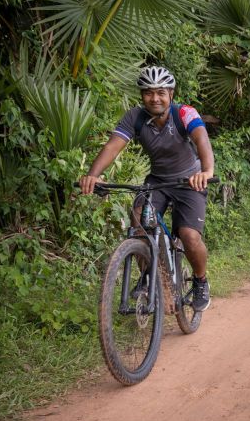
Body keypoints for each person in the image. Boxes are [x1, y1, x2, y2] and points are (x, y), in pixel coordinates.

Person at [78, 66, 215, 311]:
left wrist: (206, 171)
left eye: (161, 92)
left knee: (189, 236)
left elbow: (201, 139)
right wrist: (92, 175)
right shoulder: (135, 118)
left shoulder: (184, 113)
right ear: (142, 96)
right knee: (139, 227)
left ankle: (200, 281)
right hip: (158, 181)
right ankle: (151, 277)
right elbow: (112, 147)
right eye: (149, 93)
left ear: (171, 93)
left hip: (189, 181)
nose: (155, 98)